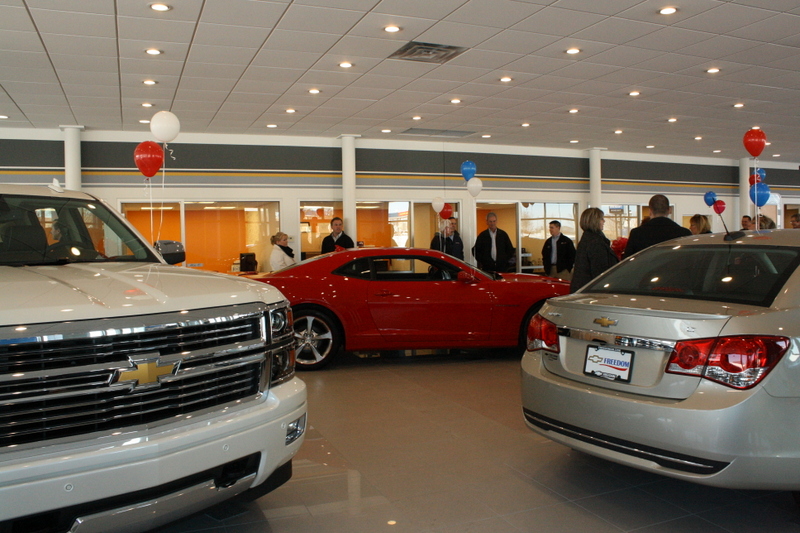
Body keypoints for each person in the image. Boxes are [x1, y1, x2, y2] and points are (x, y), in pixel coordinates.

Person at [622, 194, 691, 258]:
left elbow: (627, 261)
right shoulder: (684, 233)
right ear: (669, 210)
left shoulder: (637, 233)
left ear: (650, 211)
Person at [570, 208, 618, 293]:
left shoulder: (587, 239)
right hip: (593, 291)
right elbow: (599, 271)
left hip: (584, 288)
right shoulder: (595, 242)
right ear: (594, 221)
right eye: (601, 219)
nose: (604, 221)